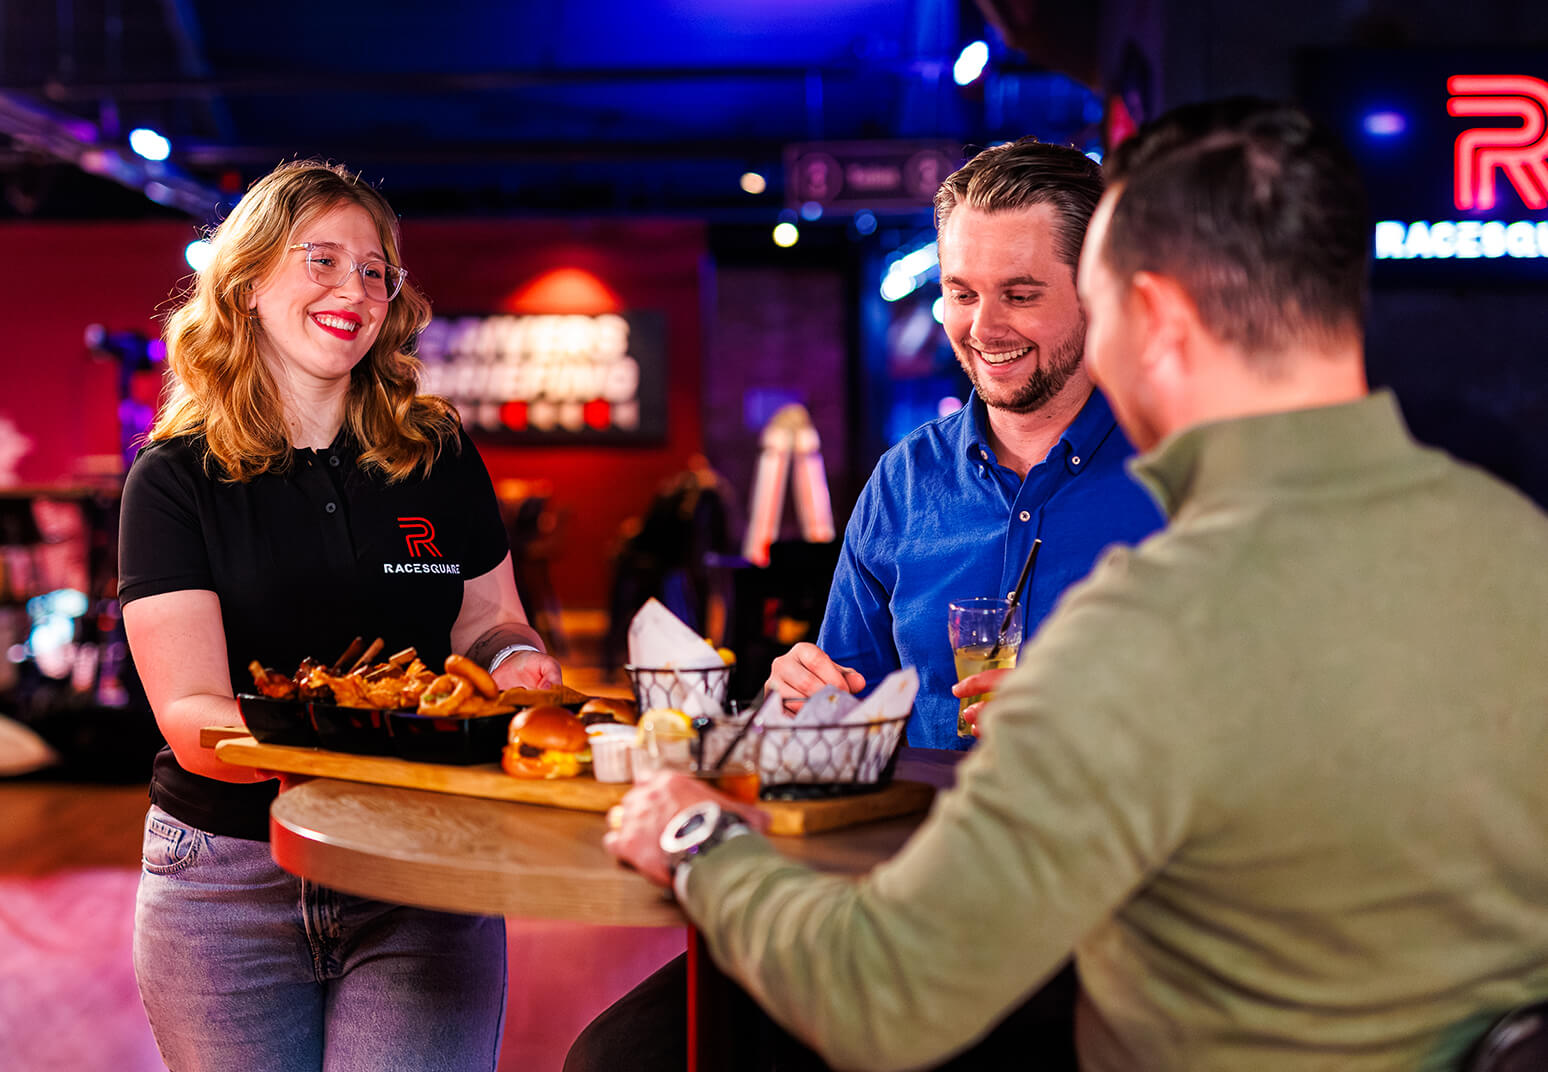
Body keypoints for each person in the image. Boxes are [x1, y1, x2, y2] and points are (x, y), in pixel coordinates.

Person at [603, 98, 1548, 1071]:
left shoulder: (1147, 625)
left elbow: (881, 995)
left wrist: (691, 830)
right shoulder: (1517, 545)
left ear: (1152, 320)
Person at [118, 160, 562, 1071]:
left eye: (374, 270)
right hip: (228, 885)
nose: (353, 289)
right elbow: (196, 718)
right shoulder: (174, 478)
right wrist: (380, 728)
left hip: (421, 863)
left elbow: (492, 622)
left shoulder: (435, 452)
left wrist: (515, 665)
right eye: (319, 260)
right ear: (245, 285)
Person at [766, 137, 1162, 751]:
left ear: (1098, 290)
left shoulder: (1183, 476)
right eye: (962, 293)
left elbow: (1260, 723)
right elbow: (848, 708)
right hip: (923, 839)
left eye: (1021, 295)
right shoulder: (903, 480)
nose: (983, 328)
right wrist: (804, 699)